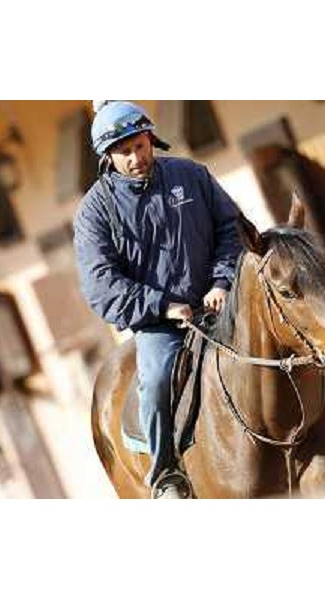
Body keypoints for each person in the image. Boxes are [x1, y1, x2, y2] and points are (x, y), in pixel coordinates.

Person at [73, 101, 242, 499]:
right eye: (124, 152)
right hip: (160, 324)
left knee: (286, 335)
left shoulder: (191, 174)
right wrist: (162, 306)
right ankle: (166, 472)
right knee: (157, 380)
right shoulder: (94, 212)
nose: (136, 158)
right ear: (107, 157)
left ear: (151, 139)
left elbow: (230, 228)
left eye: (141, 146)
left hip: (220, 304)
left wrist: (222, 281)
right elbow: (101, 285)